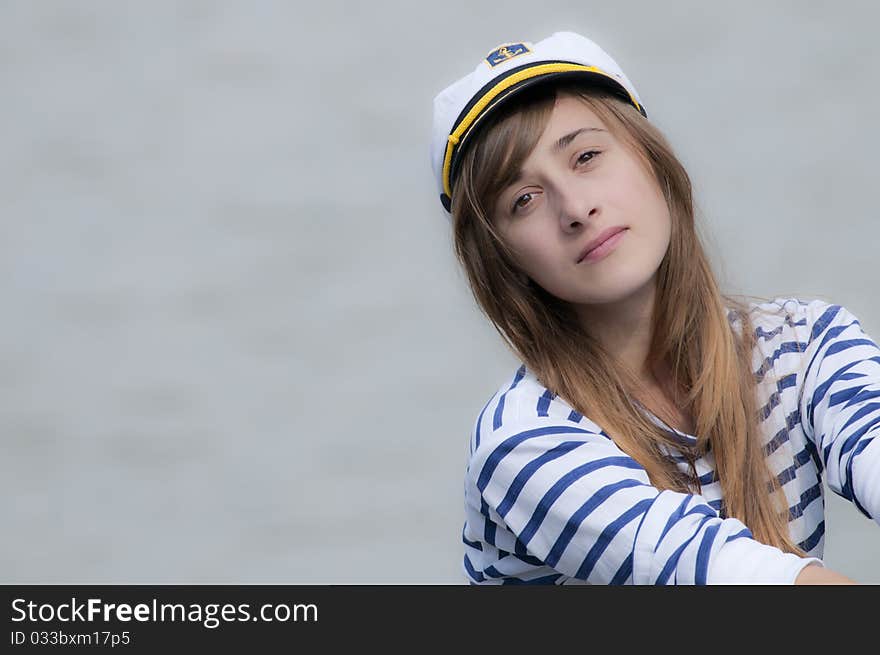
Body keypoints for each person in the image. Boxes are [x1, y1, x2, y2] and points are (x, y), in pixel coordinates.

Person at [429, 31, 879, 584]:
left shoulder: (806, 344)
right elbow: (719, 575)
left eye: (587, 156)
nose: (576, 207)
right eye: (524, 199)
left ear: (653, 160)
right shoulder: (523, 442)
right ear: (504, 260)